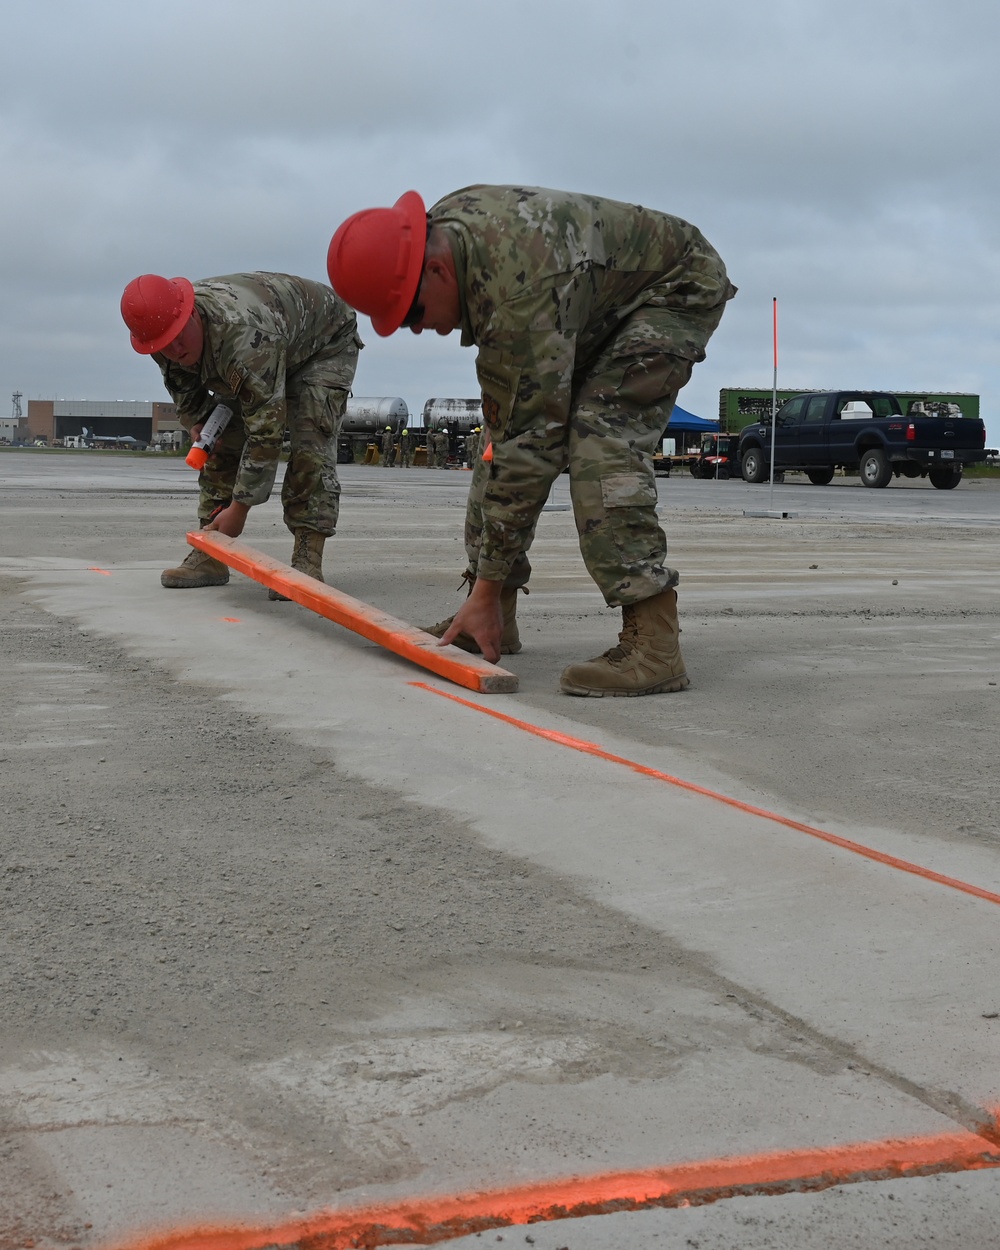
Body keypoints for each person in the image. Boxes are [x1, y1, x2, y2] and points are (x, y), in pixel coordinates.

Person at [327, 186, 735, 695]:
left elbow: (534, 449)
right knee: (496, 444)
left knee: (599, 443)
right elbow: (514, 439)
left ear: (437, 272)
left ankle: (655, 645)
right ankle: (490, 617)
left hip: (673, 291)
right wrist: (489, 585)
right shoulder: (449, 239)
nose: (415, 330)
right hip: (591, 301)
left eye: (410, 313)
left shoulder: (516, 290)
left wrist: (490, 577)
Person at [121, 272, 361, 598]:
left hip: (323, 342)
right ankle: (211, 554)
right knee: (216, 438)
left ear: (191, 313)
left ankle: (308, 558)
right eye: (164, 345)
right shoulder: (161, 330)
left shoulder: (243, 335)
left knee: (310, 441)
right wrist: (198, 421)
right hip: (271, 340)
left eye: (179, 336)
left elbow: (266, 429)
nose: (174, 349)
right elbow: (183, 386)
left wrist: (240, 508)